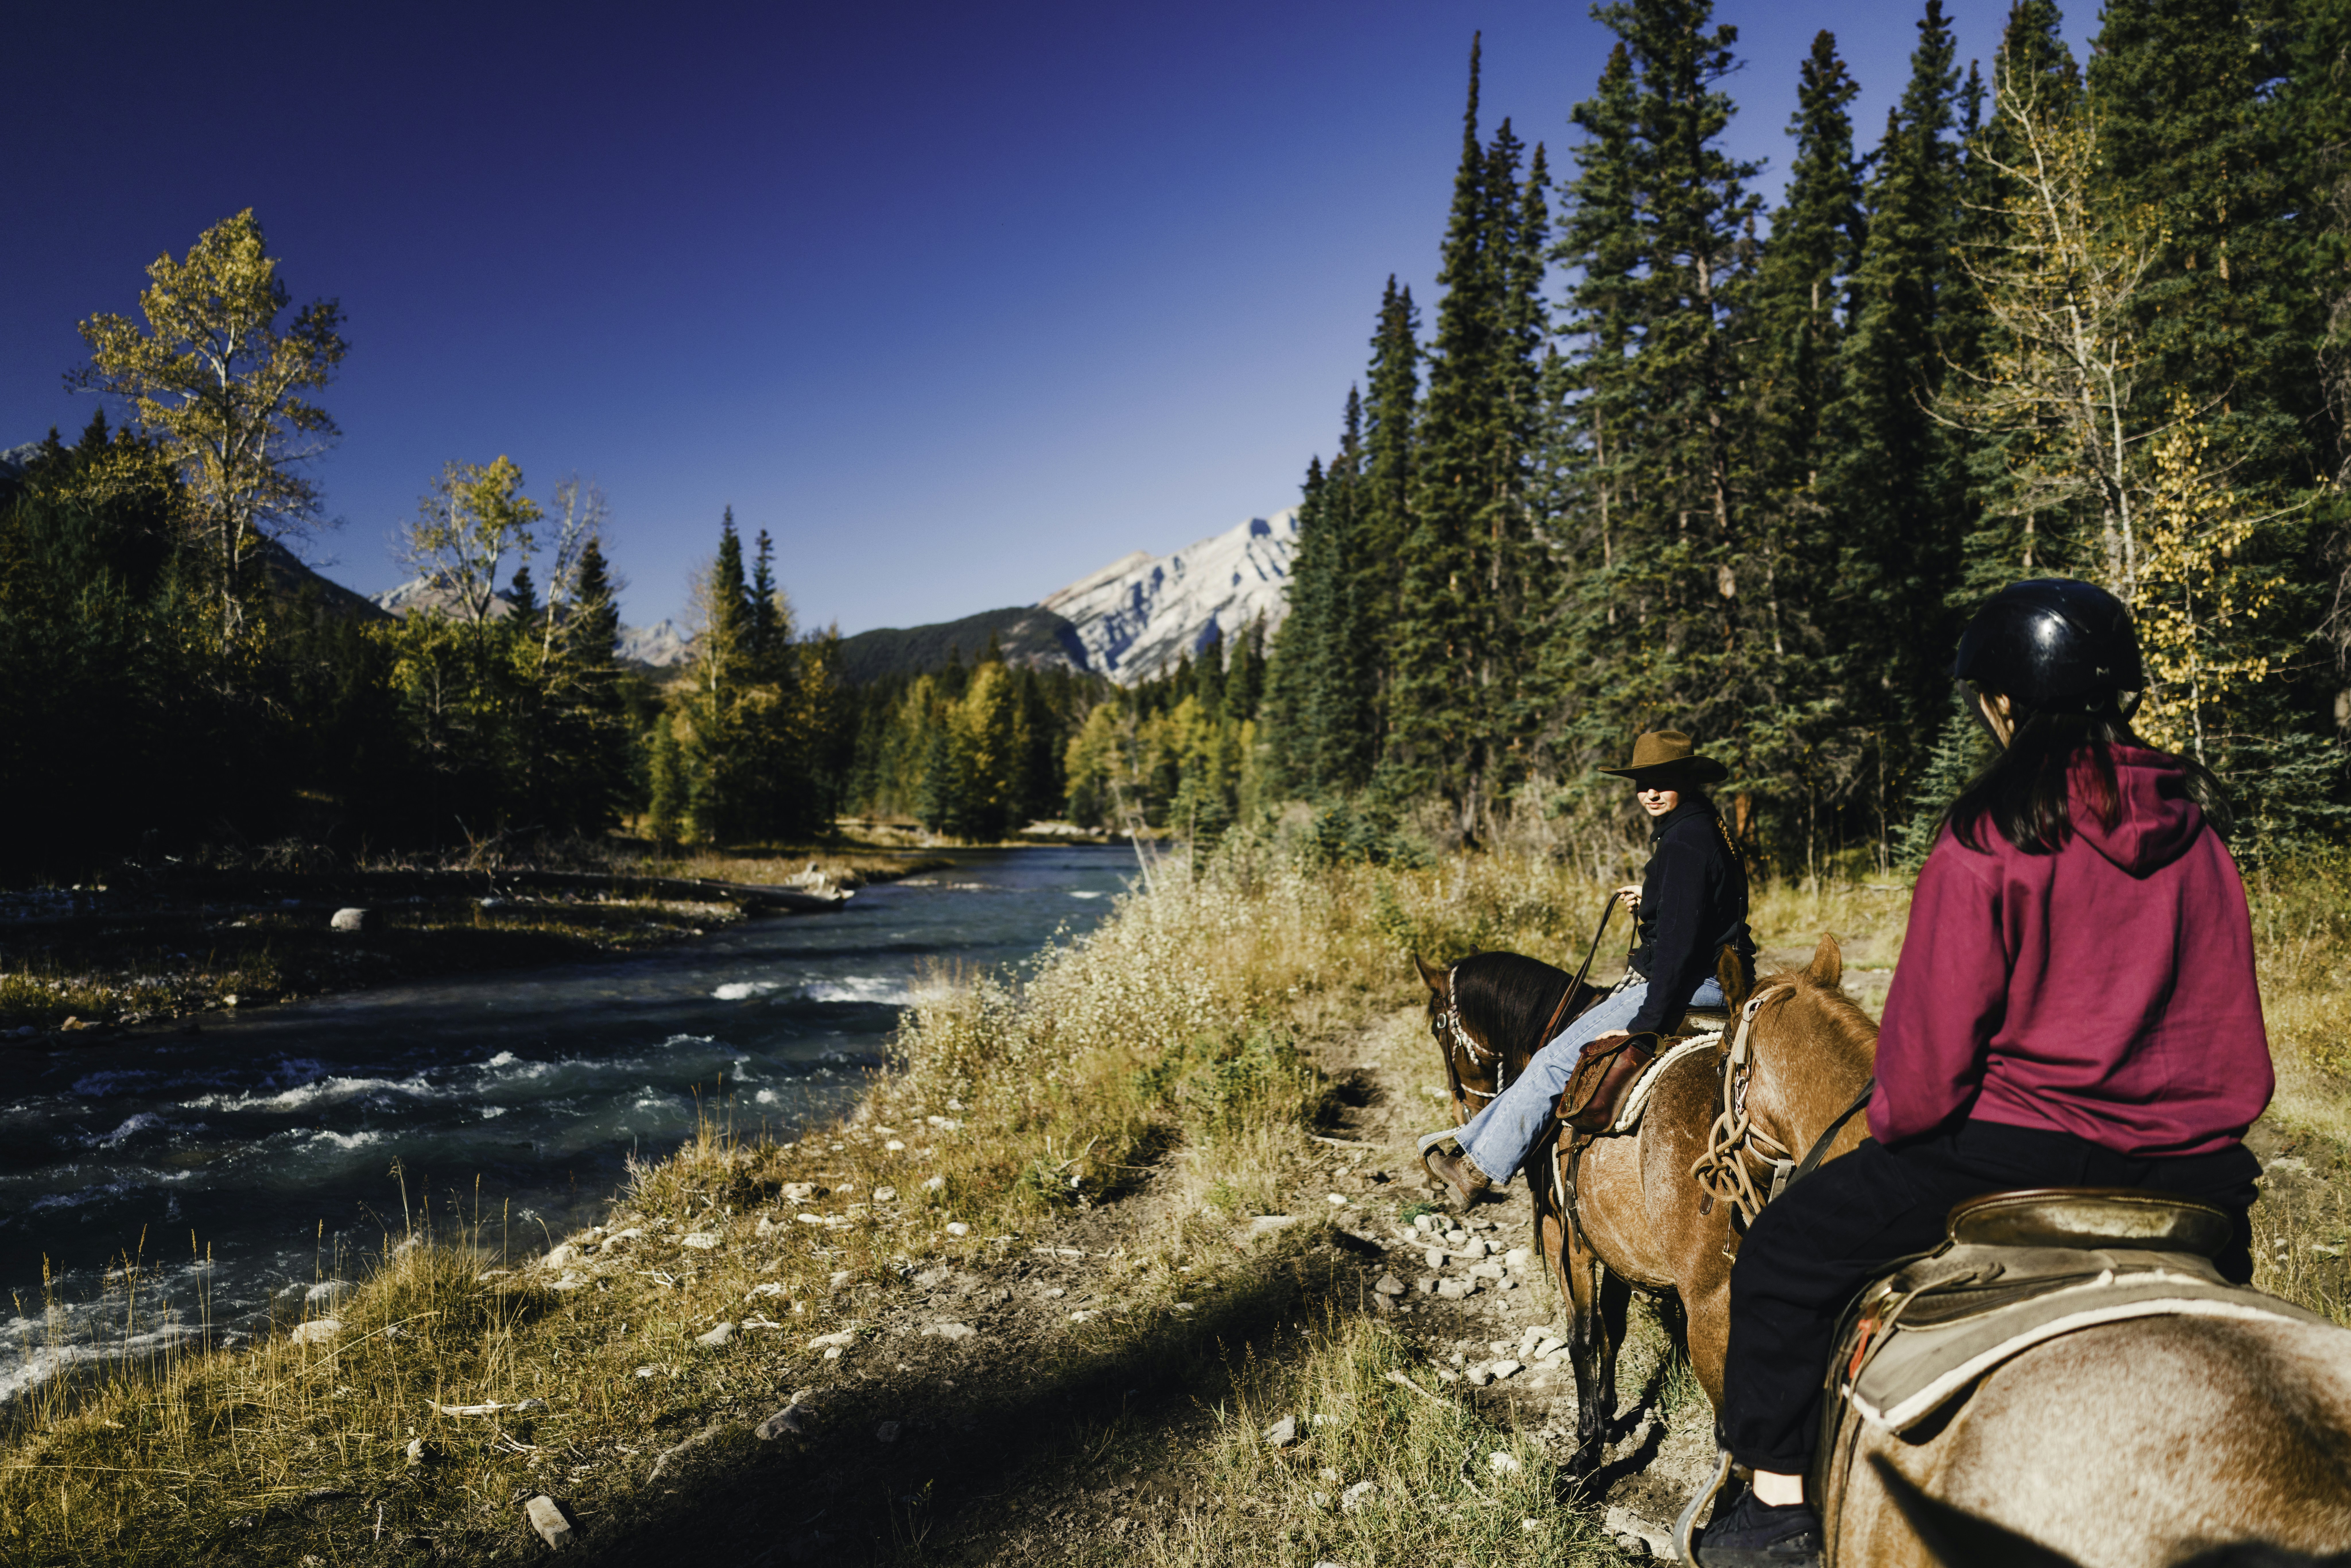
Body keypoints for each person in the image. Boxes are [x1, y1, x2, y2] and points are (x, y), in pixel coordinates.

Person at [1693, 579, 2273, 1568]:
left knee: (1785, 1254)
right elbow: (2233, 1034)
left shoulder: (1989, 836)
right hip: (2195, 1176)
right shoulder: (2199, 835)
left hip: (2008, 1160)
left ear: (2001, 702)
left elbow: (1920, 1083)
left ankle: (1776, 1512)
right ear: (2119, 696)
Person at [1423, 730, 1755, 1206]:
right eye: (1642, 784)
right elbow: (1707, 907)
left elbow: (1680, 951)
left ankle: (1475, 1171)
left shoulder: (1683, 843)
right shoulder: (1705, 828)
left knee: (1553, 1061)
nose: (1650, 793)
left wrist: (1646, 1025)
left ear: (1686, 779)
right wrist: (1654, 901)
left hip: (1689, 984)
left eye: (1662, 782)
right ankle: (1469, 1140)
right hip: (1722, 979)